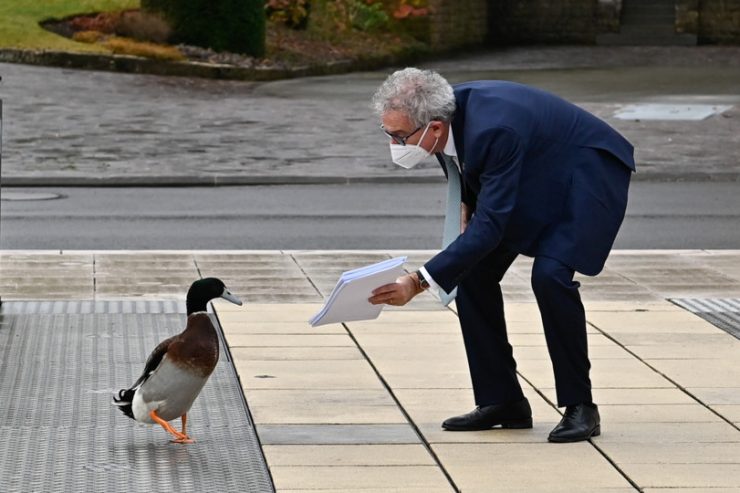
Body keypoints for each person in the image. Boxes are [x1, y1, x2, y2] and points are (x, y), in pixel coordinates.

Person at [368, 68, 634, 443]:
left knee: (550, 276)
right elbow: (468, 169)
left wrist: (417, 281)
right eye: (388, 133)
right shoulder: (437, 113)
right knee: (472, 273)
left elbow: (490, 226)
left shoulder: (493, 128)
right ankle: (502, 400)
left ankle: (581, 406)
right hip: (534, 170)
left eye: (399, 136)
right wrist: (466, 201)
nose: (394, 144)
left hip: (588, 174)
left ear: (436, 128)